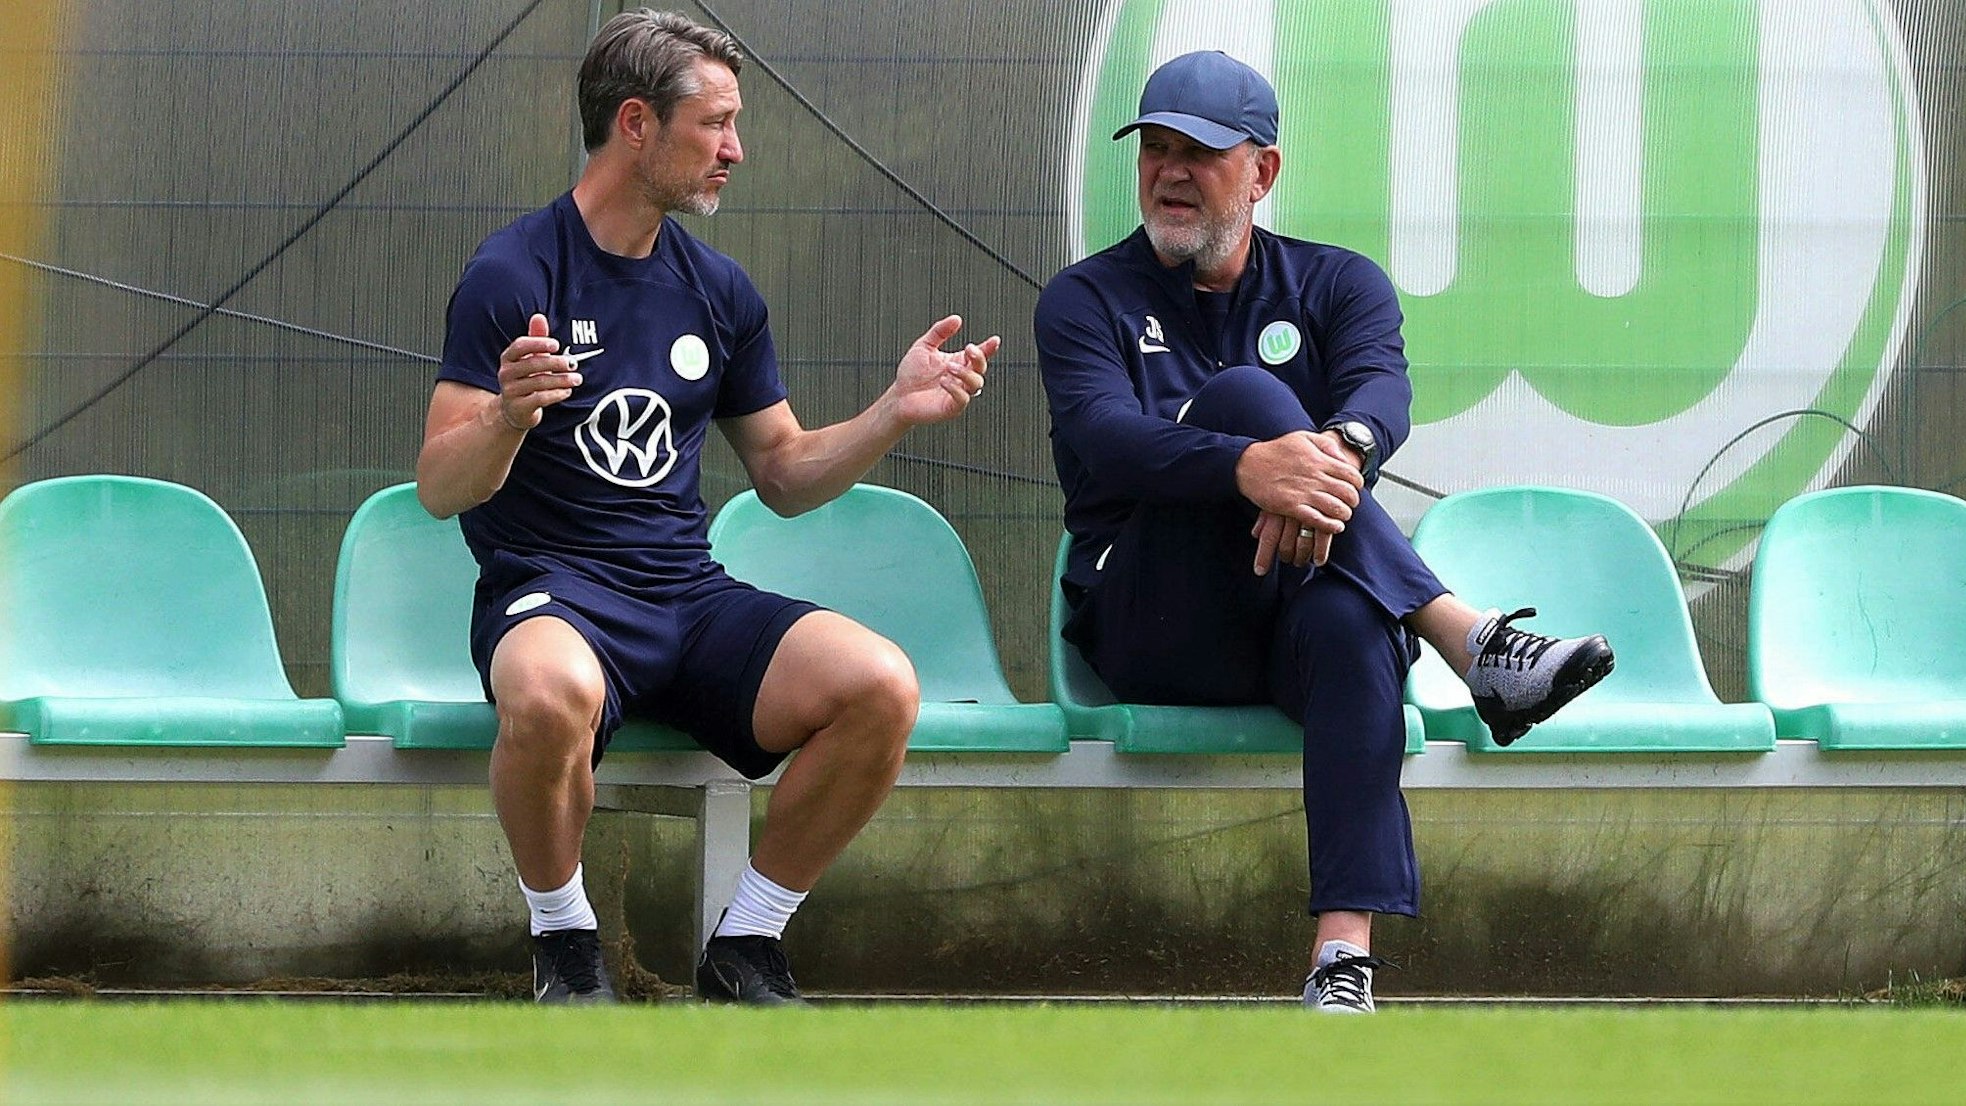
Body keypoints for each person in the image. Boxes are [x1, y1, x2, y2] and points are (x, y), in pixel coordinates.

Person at [417, 9, 997, 1005]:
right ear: (635, 124)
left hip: (686, 598)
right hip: (551, 595)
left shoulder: (719, 288)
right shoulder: (514, 272)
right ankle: (566, 946)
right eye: (715, 122)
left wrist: (893, 412)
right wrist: (510, 416)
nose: (736, 148)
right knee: (550, 692)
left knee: (880, 685)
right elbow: (439, 484)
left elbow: (782, 472)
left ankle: (748, 943)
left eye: (736, 123)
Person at [1035, 50, 1614, 1013]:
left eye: (1202, 154)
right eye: (1157, 150)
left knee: (1352, 626)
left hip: (1290, 619)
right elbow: (1104, 441)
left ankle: (1340, 964)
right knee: (1247, 397)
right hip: (1150, 619)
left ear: (1262, 172)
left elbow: (1380, 395)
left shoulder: (1339, 283)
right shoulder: (1085, 297)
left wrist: (1327, 456)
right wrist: (1245, 464)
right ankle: (1467, 637)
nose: (1171, 172)